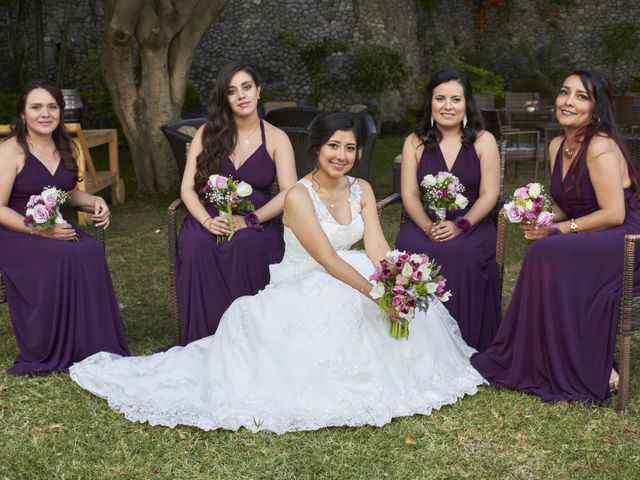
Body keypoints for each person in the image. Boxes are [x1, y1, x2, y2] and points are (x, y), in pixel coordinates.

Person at [70, 112, 484, 434]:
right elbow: (326, 259)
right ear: (317, 149)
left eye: (350, 147)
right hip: (308, 279)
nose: (342, 155)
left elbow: (374, 244)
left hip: (355, 267)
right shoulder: (299, 196)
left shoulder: (362, 189)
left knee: (405, 311)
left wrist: (397, 282)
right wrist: (376, 295)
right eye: (333, 146)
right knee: (338, 314)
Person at [471, 70, 640, 404]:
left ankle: (592, 366)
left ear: (596, 108)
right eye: (565, 92)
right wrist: (540, 216)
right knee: (545, 251)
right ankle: (546, 358)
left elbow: (613, 213)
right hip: (597, 228)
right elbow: (569, 205)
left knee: (545, 252)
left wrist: (558, 229)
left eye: (581, 96)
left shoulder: (601, 147)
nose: (568, 101)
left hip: (626, 236)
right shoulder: (556, 145)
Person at [0, 80, 129, 375]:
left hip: (52, 224)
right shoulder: (11, 151)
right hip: (15, 231)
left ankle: (90, 343)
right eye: (36, 107)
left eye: (52, 107)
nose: (45, 114)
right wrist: (40, 231)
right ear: (22, 114)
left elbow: (66, 193)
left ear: (60, 112)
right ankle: (49, 344)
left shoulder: (66, 145)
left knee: (90, 250)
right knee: (65, 255)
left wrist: (94, 200)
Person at [176, 62, 297, 345]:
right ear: (225, 99)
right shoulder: (207, 133)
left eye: (246, 87)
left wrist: (250, 220)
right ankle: (203, 337)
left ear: (258, 91)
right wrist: (206, 221)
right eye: (232, 91)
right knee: (197, 244)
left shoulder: (278, 138)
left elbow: (289, 192)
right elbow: (186, 188)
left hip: (257, 220)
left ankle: (247, 339)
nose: (241, 95)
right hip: (209, 215)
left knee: (246, 245)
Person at [395, 69, 501, 352]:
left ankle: (464, 341)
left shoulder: (483, 140)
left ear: (467, 104)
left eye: (456, 99)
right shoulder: (414, 142)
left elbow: (490, 194)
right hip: (425, 222)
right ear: (430, 103)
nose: (447, 106)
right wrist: (427, 226)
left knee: (460, 251)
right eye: (440, 98)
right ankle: (417, 342)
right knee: (408, 246)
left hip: (471, 224)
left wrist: (461, 225)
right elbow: (409, 193)